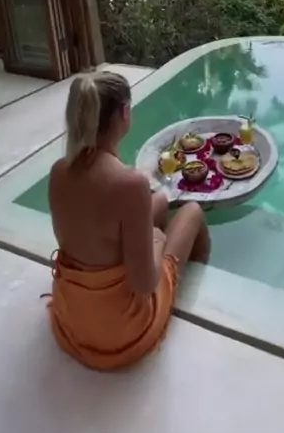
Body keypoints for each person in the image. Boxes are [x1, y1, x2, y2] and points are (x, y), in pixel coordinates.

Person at [47, 70, 210, 371]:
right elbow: (143, 284)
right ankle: (194, 290)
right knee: (192, 212)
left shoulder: (59, 171)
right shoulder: (129, 184)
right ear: (124, 113)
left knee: (161, 200)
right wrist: (156, 240)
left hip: (73, 315)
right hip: (119, 332)